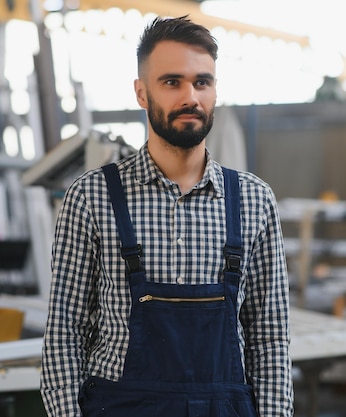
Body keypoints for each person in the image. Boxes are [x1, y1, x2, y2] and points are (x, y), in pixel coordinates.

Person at [40, 16, 294, 417]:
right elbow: (64, 335)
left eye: (202, 82)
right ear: (142, 93)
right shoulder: (91, 197)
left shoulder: (254, 200)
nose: (190, 96)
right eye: (172, 82)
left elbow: (270, 339)